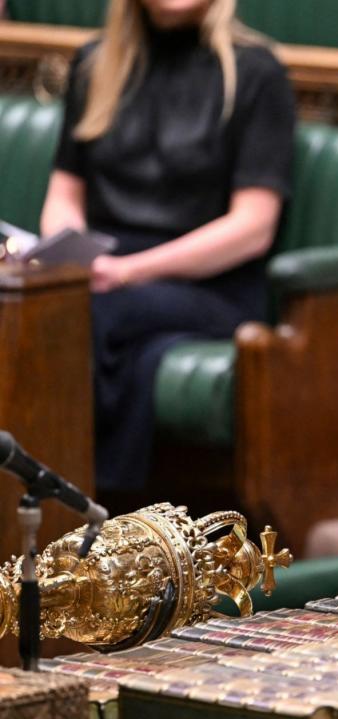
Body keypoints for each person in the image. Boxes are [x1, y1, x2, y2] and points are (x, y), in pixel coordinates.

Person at [40, 0, 296, 493]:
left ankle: (73, 494)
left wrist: (128, 272)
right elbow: (64, 196)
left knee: (85, 310)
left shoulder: (257, 72)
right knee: (60, 307)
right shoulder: (95, 63)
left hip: (211, 285)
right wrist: (73, 255)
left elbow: (252, 227)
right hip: (107, 273)